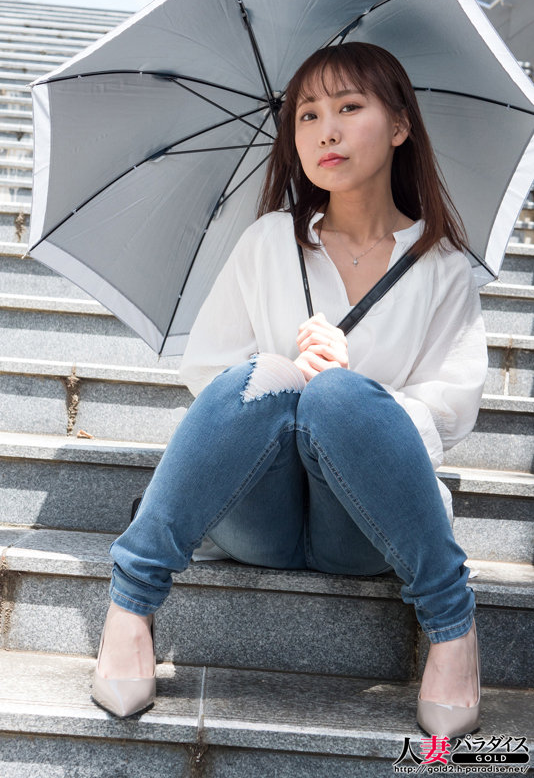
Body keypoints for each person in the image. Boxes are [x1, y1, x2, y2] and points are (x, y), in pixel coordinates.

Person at [91, 42, 488, 737]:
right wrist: (287, 374)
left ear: (400, 126)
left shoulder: (442, 265)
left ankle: (452, 625)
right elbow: (212, 380)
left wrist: (349, 386)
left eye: (349, 108)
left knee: (339, 398)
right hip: (259, 512)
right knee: (262, 377)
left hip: (368, 522)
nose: (325, 131)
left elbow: (450, 410)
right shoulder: (269, 241)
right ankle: (130, 603)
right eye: (307, 115)